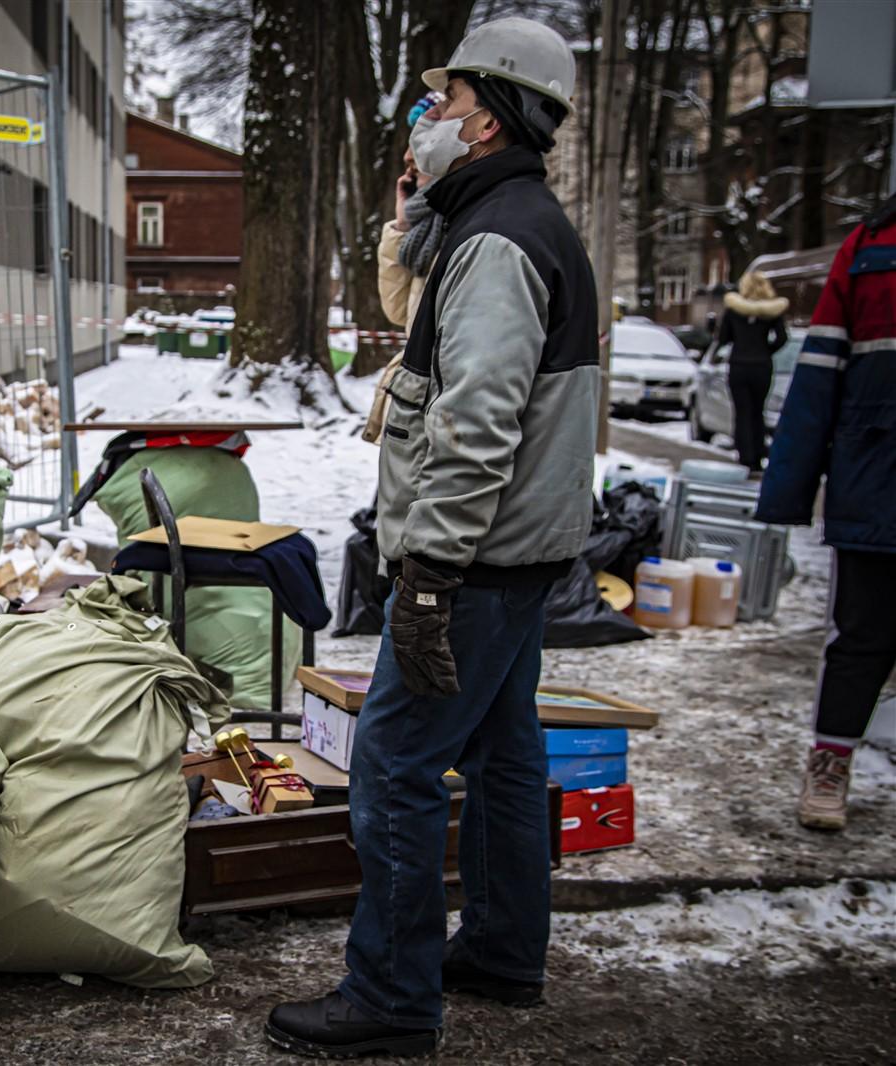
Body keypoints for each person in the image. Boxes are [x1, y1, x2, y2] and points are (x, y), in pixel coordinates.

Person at [267, 17, 598, 1059]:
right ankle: (501, 949)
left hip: (476, 556)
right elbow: (415, 310)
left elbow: (477, 416)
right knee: (501, 754)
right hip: (512, 551)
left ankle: (391, 996)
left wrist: (429, 571)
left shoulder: (500, 239)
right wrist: (416, 212)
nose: (427, 116)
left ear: (492, 117)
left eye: (444, 102)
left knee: (396, 767)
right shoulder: (499, 217)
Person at [756, 193, 896, 833]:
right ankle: (830, 763)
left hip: (870, 473)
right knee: (861, 636)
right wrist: (787, 486)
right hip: (876, 478)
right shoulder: (870, 247)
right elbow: (817, 375)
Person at [362, 94, 445, 445]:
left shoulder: (460, 231)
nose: (408, 159)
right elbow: (397, 310)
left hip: (434, 413)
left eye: (419, 145)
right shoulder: (426, 233)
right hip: (412, 407)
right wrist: (401, 226)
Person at [715, 270, 789, 472]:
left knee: (742, 411)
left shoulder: (733, 310)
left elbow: (723, 338)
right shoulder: (772, 312)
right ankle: (757, 455)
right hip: (762, 366)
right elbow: (782, 338)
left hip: (739, 364)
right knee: (758, 410)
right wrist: (766, 350)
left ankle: (744, 455)